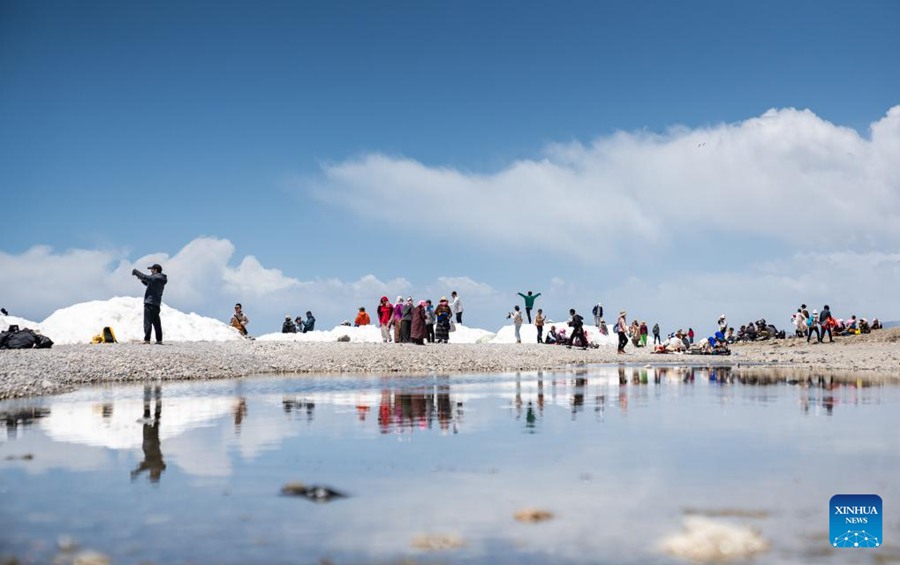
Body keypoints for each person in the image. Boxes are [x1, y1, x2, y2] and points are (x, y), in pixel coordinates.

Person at [132, 263, 167, 344]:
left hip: (149, 303)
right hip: (156, 304)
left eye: (152, 269)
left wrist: (136, 272)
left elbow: (146, 277)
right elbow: (148, 282)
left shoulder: (155, 277)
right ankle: (159, 340)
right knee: (156, 323)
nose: (151, 271)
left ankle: (147, 339)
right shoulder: (161, 279)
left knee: (147, 322)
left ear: (155, 270)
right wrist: (140, 279)